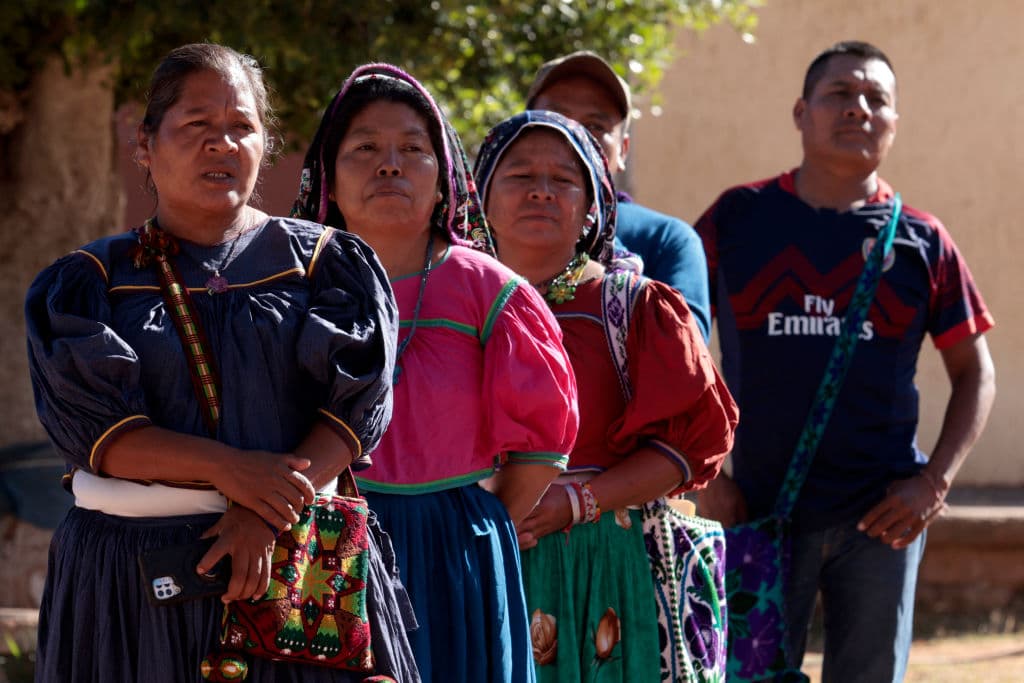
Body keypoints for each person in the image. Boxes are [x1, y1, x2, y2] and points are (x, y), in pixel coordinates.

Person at [25, 43, 421, 682]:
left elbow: (356, 409)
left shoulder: (328, 267)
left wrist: (263, 513)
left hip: (296, 569)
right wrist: (236, 473)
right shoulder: (88, 283)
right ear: (145, 146)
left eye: (242, 126)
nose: (222, 144)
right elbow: (99, 434)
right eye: (197, 126)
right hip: (129, 579)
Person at [694, 41, 996, 682]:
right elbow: (677, 345)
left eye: (876, 100)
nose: (857, 109)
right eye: (839, 94)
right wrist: (706, 474)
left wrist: (932, 485)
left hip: (881, 520)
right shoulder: (737, 219)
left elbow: (976, 372)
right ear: (801, 112)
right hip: (757, 509)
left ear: (894, 122)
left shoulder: (922, 240)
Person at [292, 64, 578, 683]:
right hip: (322, 545)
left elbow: (541, 444)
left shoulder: (491, 293)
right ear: (331, 183)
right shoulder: (291, 292)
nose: (389, 164)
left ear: (444, 179)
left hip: (456, 548)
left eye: (413, 149)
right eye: (364, 147)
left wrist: (474, 524)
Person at [474, 109, 738, 682]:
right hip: (478, 565)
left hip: (606, 570)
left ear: (591, 206)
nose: (541, 192)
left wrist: (574, 503)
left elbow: (689, 444)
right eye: (519, 175)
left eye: (564, 179)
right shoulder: (448, 305)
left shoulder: (633, 308)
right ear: (482, 199)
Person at [525, 50, 712, 342]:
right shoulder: (482, 229)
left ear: (623, 150)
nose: (573, 136)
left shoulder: (666, 240)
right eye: (555, 118)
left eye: (595, 126)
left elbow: (686, 355)